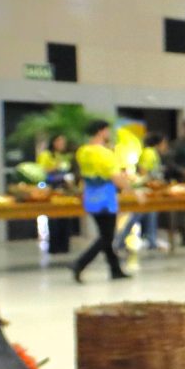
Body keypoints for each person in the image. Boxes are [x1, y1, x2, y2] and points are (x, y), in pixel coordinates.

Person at [70, 119, 130, 282]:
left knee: (105, 234)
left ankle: (115, 270)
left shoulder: (82, 152)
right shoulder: (105, 154)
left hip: (91, 197)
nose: (108, 134)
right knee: (107, 237)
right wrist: (131, 189)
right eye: (107, 130)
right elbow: (116, 178)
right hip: (106, 199)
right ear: (100, 131)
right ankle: (79, 263)